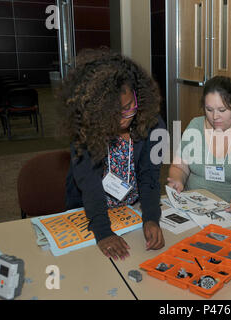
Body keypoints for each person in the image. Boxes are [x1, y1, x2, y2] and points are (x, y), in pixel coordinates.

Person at [61, 48, 166, 261]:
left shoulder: (156, 126)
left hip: (132, 210)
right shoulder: (84, 130)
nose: (124, 119)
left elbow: (150, 177)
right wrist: (103, 232)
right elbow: (89, 184)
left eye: (129, 107)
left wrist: (151, 218)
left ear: (138, 95)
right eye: (113, 113)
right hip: (90, 211)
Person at [167, 76, 231, 221]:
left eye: (222, 110)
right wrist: (177, 180)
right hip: (194, 208)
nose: (215, 116)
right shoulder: (195, 126)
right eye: (209, 109)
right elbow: (179, 167)